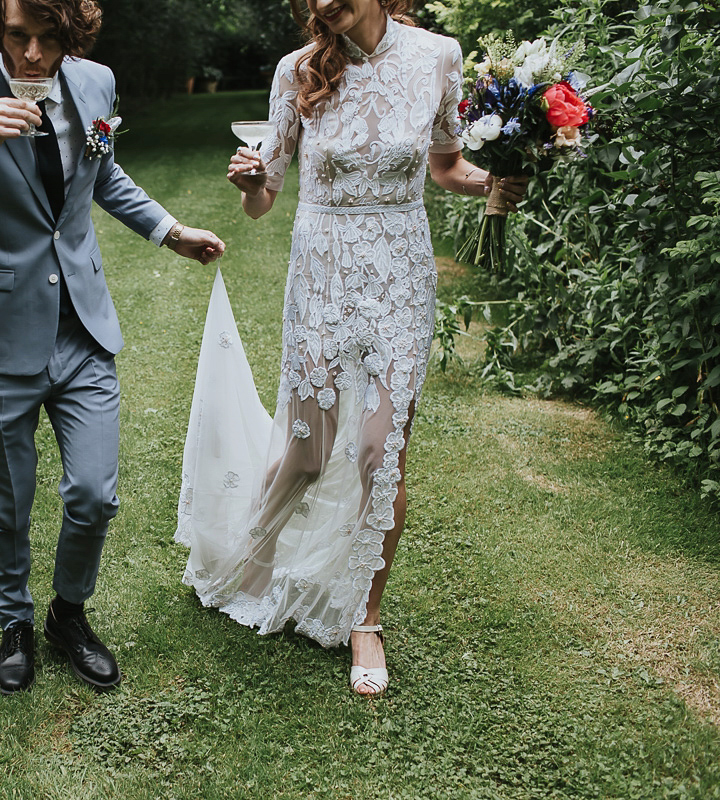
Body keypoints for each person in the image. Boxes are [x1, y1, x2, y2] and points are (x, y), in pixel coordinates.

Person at [175, 0, 529, 696]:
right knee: (308, 446)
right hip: (323, 271)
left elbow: (447, 167)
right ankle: (256, 558)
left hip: (400, 271)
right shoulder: (296, 71)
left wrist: (497, 182)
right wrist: (251, 183)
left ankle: (366, 617)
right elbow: (265, 196)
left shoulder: (439, 58)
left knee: (381, 449)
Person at [0, 0, 225, 695]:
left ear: (72, 34)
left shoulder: (95, 85)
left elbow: (102, 174)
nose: (36, 55)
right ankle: (14, 623)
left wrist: (171, 230)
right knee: (8, 503)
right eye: (20, 37)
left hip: (81, 327)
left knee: (95, 495)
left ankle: (67, 615)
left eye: (50, 39)